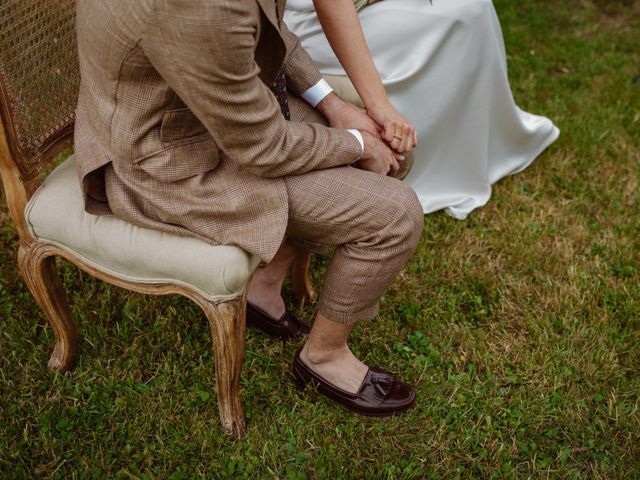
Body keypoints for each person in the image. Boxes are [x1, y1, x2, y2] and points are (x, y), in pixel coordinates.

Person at [74, 0, 424, 415]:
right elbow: (263, 148)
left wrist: (334, 105)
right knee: (396, 214)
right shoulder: (198, 9)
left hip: (219, 111)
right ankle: (323, 358)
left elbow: (273, 30)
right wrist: (357, 144)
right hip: (172, 159)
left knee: (395, 158)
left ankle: (263, 280)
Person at [285, 0, 560, 218]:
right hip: (312, 23)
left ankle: (471, 152)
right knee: (464, 18)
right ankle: (426, 167)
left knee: (476, 8)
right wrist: (378, 103)